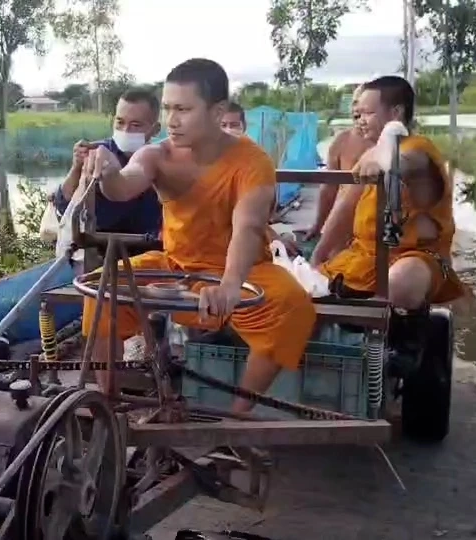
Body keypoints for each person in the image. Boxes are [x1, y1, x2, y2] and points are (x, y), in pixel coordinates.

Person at [83, 58, 316, 412]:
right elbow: (122, 187)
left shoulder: (252, 162)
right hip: (176, 267)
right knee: (103, 288)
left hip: (243, 271)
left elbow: (247, 227)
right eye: (168, 108)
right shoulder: (156, 154)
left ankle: (236, 417)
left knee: (291, 305)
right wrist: (110, 171)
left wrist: (230, 285)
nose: (172, 120)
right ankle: (109, 406)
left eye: (183, 109)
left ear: (216, 111)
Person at [311, 75, 464, 310]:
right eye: (358, 114)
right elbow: (345, 207)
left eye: (368, 113)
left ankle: (403, 335)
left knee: (402, 280)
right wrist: (318, 256)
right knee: (303, 287)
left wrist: (384, 151)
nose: (360, 120)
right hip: (365, 256)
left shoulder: (418, 150)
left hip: (414, 257)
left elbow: (401, 163)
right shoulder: (368, 157)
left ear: (395, 113)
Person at [50, 88, 163, 248]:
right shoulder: (98, 152)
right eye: (120, 122)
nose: (125, 131)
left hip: (148, 250)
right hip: (99, 251)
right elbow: (64, 205)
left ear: (155, 129)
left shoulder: (161, 160)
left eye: (135, 125)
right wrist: (77, 167)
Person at [306, 84, 375, 240]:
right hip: (343, 225)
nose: (358, 107)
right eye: (355, 102)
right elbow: (329, 188)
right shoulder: (342, 140)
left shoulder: (392, 144)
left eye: (365, 104)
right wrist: (318, 225)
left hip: (375, 226)